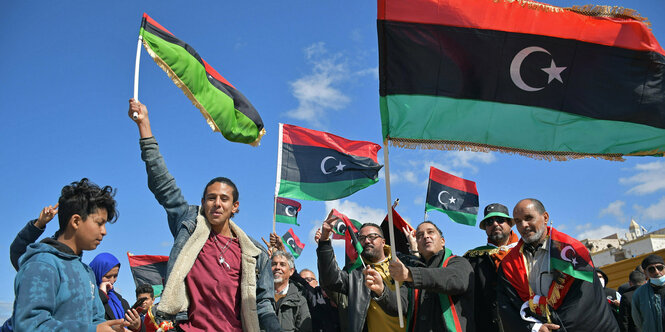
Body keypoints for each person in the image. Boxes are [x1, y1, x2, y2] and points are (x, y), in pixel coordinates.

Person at [128, 99, 280, 332]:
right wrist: (144, 127)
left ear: (235, 206)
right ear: (202, 203)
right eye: (211, 198)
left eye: (224, 199)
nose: (217, 204)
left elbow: (264, 305)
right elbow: (163, 184)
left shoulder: (255, 254)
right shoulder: (189, 225)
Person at [12, 178, 130, 331]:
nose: (104, 231)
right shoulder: (42, 264)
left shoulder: (87, 272)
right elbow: (29, 325)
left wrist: (111, 328)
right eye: (99, 223)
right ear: (75, 221)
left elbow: (96, 320)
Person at [497, 198, 619, 332]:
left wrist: (555, 329)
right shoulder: (509, 264)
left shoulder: (571, 251)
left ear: (545, 217)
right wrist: (535, 328)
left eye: (528, 218)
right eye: (518, 221)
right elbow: (507, 305)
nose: (523, 225)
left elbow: (584, 300)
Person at [376, 221, 475, 332]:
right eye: (419, 235)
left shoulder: (459, 262)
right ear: (417, 245)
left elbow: (455, 281)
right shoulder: (412, 273)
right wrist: (381, 291)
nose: (425, 236)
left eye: (430, 232)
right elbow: (400, 307)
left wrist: (410, 274)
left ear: (442, 241)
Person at [317, 216, 406, 332]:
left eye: (372, 237)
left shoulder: (404, 263)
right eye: (362, 238)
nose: (367, 241)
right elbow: (330, 279)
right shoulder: (356, 274)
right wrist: (324, 241)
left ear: (383, 242)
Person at [464, 203, 519, 332]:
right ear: (486, 228)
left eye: (500, 220)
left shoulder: (526, 252)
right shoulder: (472, 257)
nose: (495, 224)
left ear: (510, 224)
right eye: (489, 222)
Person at [271, 231, 340, 332]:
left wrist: (325, 245)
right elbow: (294, 276)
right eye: (304, 280)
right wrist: (282, 251)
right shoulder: (312, 296)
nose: (305, 282)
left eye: (309, 279)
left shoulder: (347, 295)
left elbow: (331, 269)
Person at [90, 252, 142, 331]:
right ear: (96, 273)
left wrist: (137, 326)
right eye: (107, 276)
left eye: (115, 276)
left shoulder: (120, 301)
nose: (112, 281)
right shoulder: (87, 296)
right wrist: (101, 294)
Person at [272, 250, 312, 332]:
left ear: (291, 271)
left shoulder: (300, 300)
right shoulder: (259, 294)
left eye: (282, 264)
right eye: (274, 264)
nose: (277, 267)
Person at [631, 254, 665, 332]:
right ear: (645, 273)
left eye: (660, 268)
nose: (657, 272)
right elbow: (638, 321)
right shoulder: (639, 294)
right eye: (651, 269)